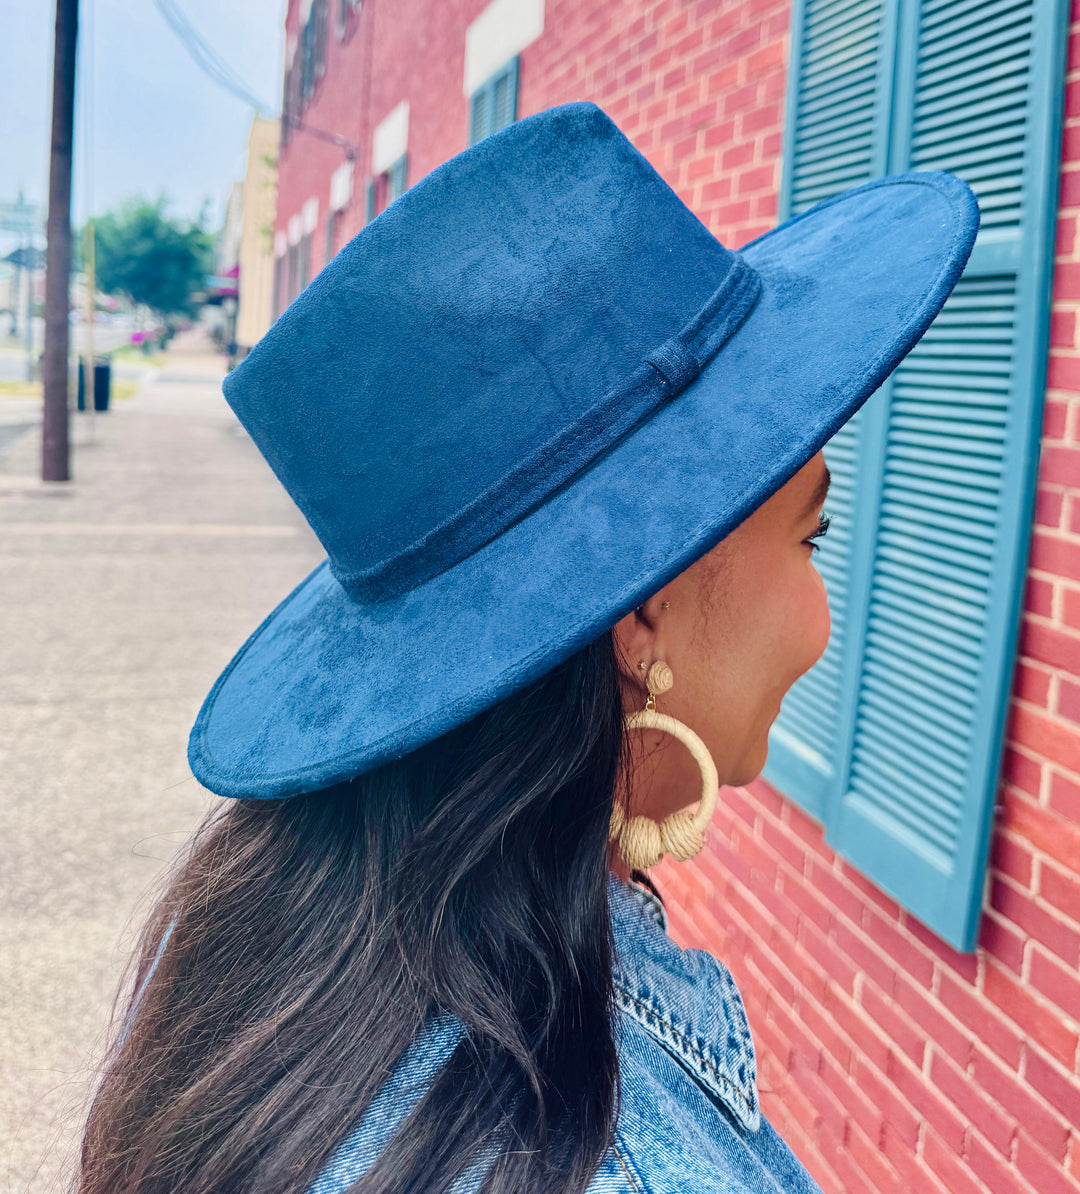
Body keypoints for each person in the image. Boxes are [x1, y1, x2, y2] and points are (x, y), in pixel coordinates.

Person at [76, 102, 978, 1193]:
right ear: (641, 614)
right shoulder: (604, 1159)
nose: (822, 620)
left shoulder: (263, 943)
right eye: (811, 535)